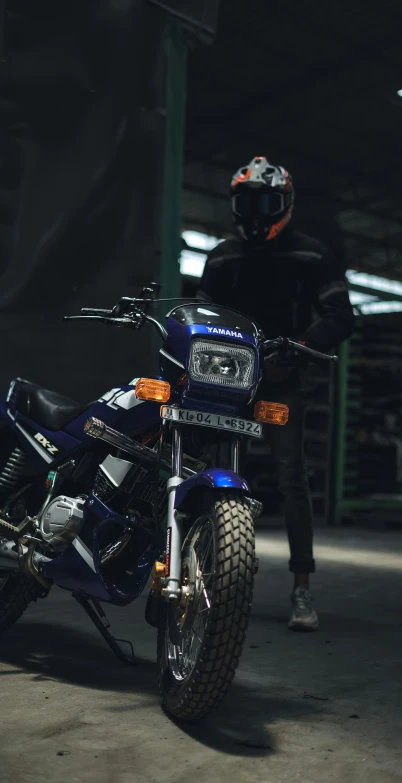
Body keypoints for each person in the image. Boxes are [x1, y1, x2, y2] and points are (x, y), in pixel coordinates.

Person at [196, 156, 355, 631]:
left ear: (284, 204)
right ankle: (200, 573)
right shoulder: (223, 256)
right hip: (226, 381)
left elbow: (341, 316)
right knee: (208, 472)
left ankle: (301, 590)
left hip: (281, 383)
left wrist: (299, 349)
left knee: (292, 480)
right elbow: (203, 313)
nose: (257, 211)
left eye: (266, 201)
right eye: (248, 202)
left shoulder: (311, 254)